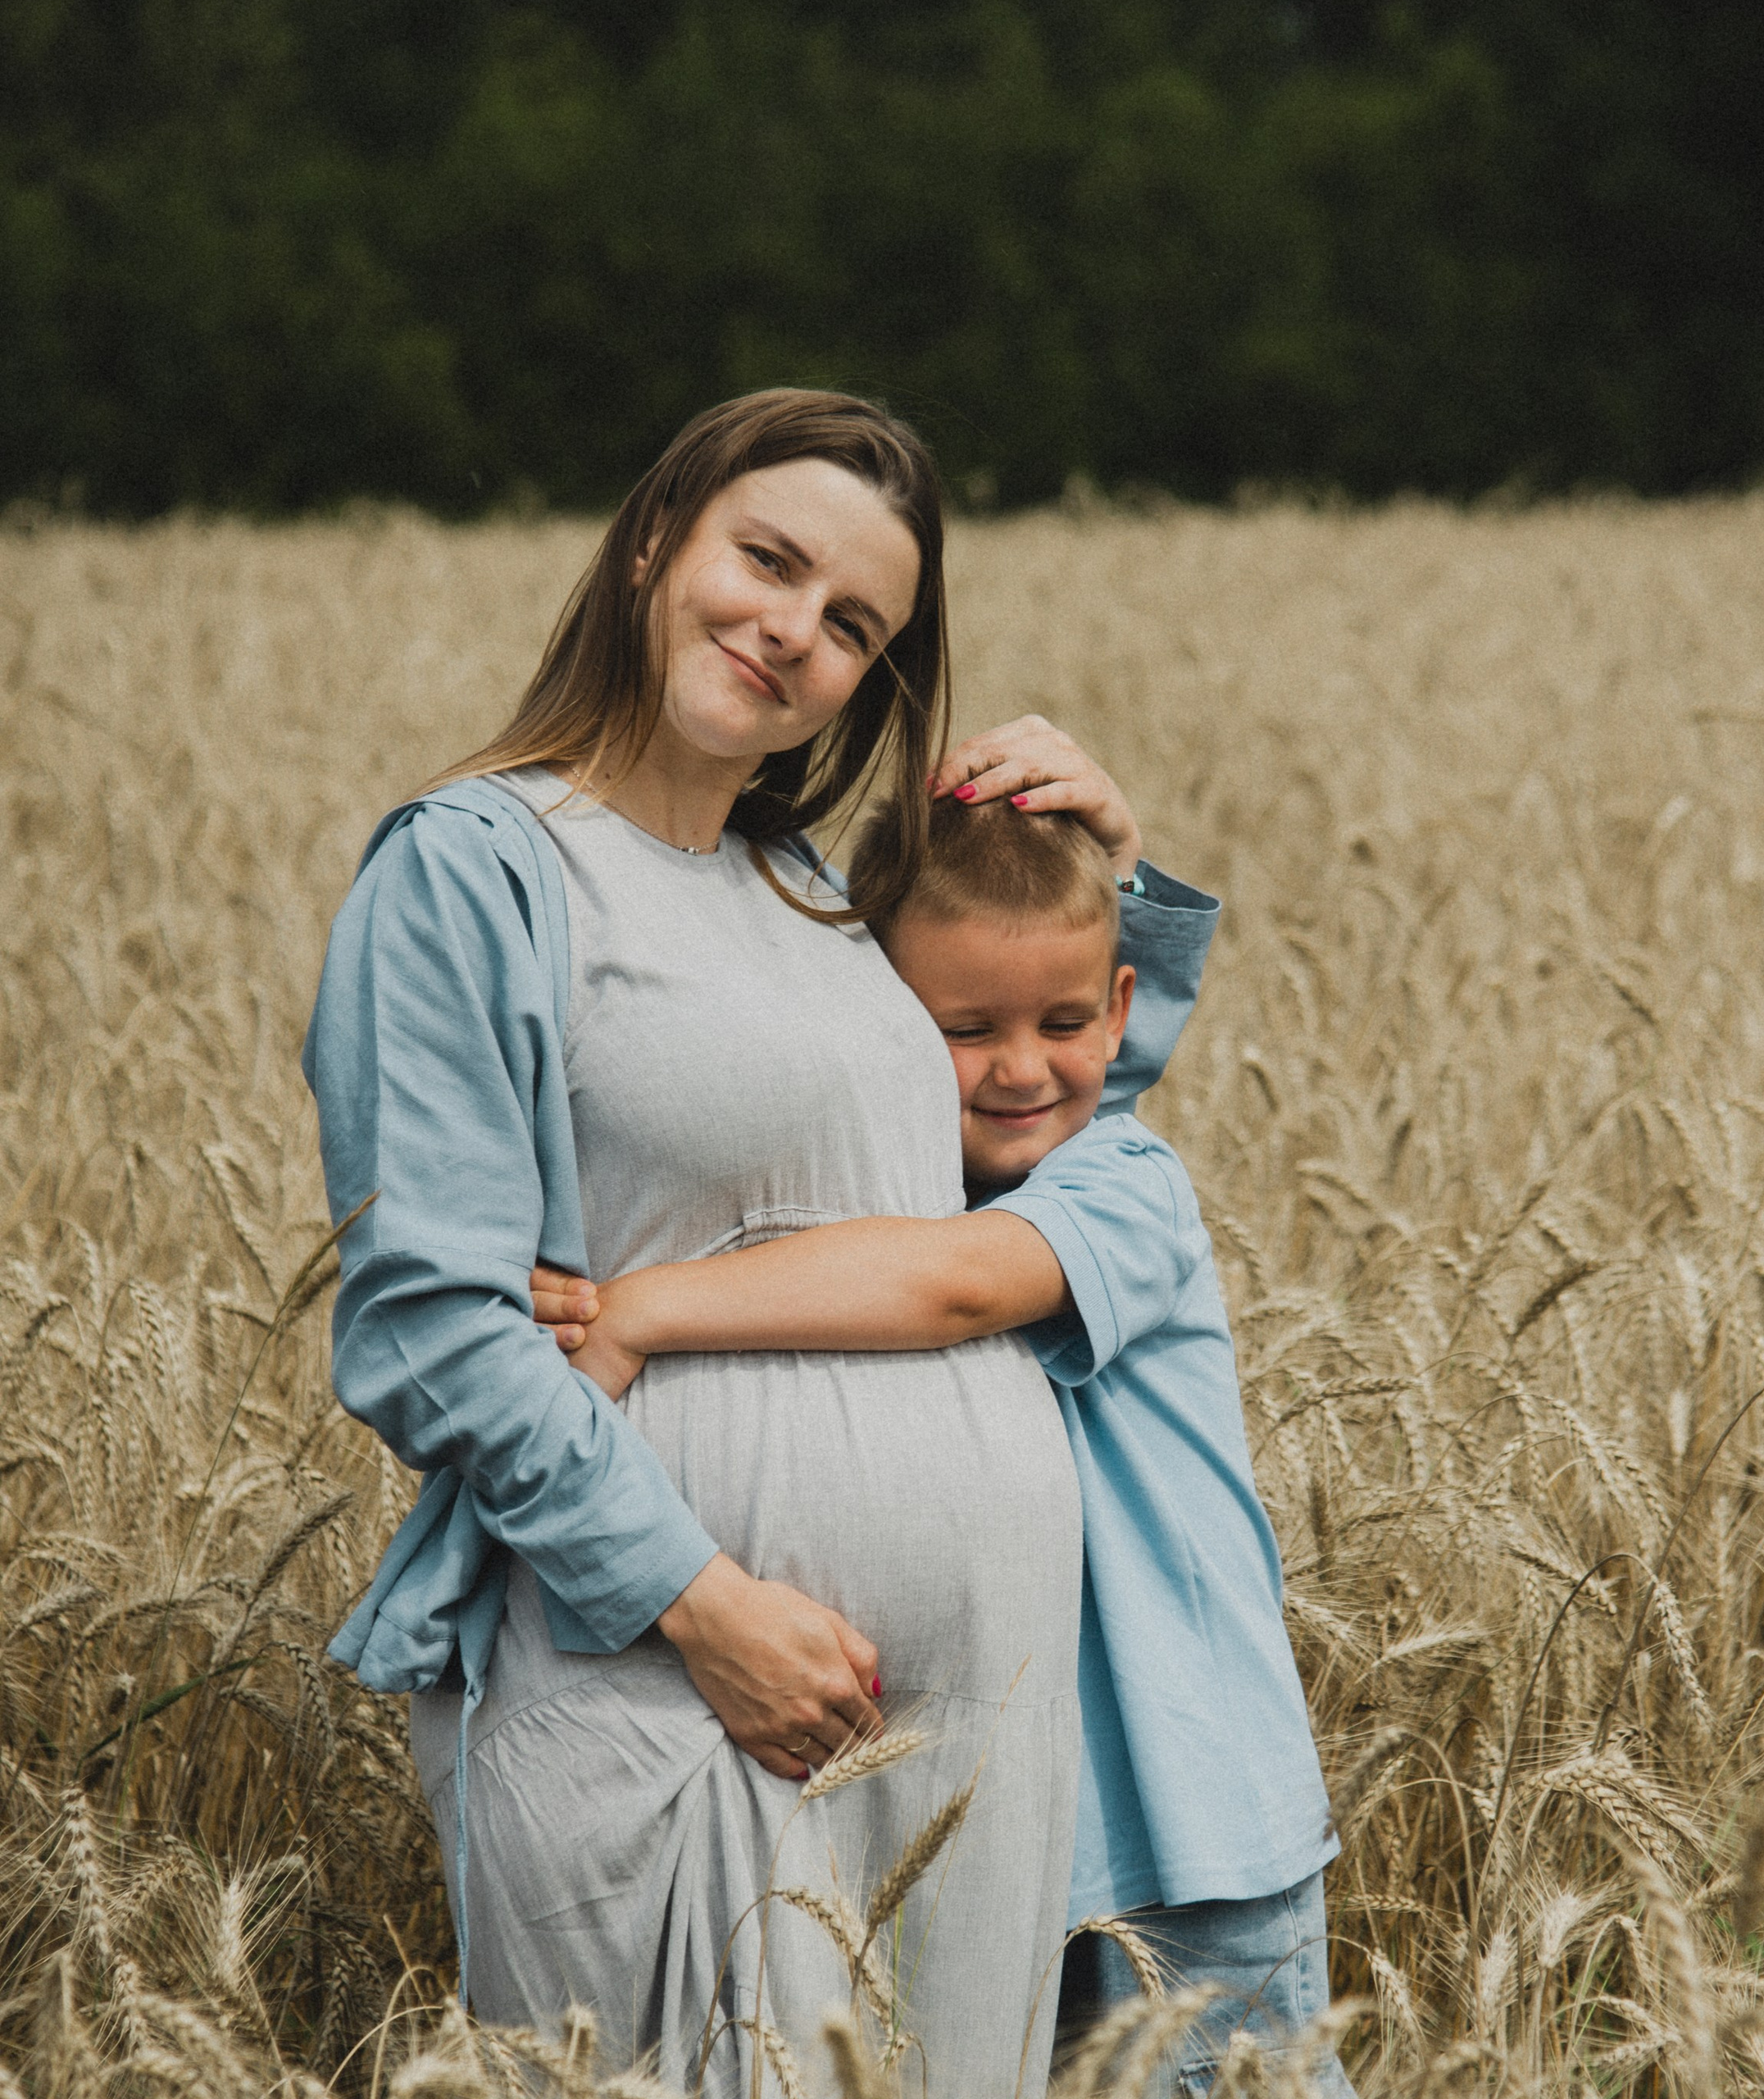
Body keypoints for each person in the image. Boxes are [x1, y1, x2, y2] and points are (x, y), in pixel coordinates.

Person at [302, 389, 1216, 2095]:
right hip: (671, 1688)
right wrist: (707, 1605)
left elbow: (1009, 1153)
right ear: (656, 538)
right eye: (767, 560)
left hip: (957, 1754)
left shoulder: (797, 884)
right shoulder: (474, 869)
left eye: (852, 621)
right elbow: (433, 1324)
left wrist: (1121, 875)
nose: (793, 628)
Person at [530, 793, 1353, 2094]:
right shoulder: (880, 1195)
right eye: (965, 1031)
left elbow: (952, 1283)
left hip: (1193, 1833)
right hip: (987, 1848)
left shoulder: (1126, 1189)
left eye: (1066, 1025)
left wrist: (650, 1307)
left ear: (1122, 1011)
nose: (1023, 1067)